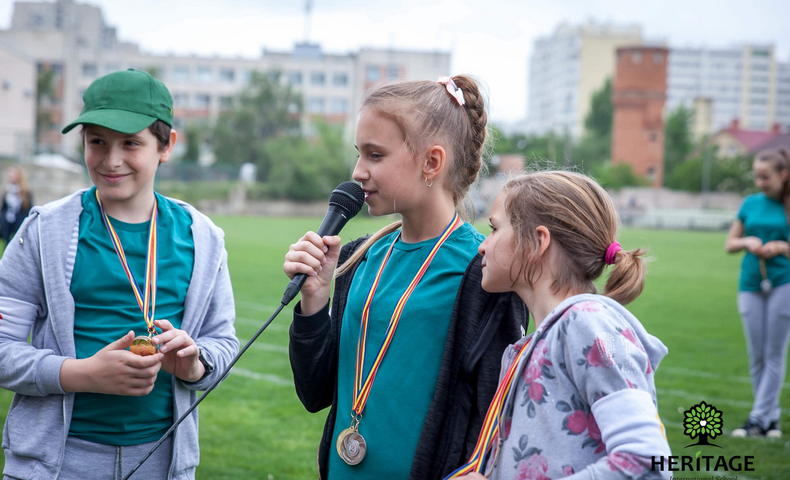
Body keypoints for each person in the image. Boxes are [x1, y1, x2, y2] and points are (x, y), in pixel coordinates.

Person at [283, 76, 528, 480]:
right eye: (358, 154)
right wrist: (314, 300)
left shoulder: (485, 271)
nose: (358, 172)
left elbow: (495, 410)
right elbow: (314, 393)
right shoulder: (357, 258)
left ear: (432, 162)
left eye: (375, 155)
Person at [0, 69, 239, 480]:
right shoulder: (43, 231)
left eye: (131, 143)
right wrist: (82, 374)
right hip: (56, 463)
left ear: (167, 146)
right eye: (97, 142)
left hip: (162, 463)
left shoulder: (202, 237)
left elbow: (223, 342)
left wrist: (195, 364)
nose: (111, 160)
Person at [452, 171, 671, 480]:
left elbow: (646, 460)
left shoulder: (586, 323)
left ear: (538, 242)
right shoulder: (539, 340)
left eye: (494, 229)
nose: (482, 247)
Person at [725, 147, 790, 438]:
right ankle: (771, 419)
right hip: (750, 283)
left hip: (782, 283)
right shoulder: (750, 203)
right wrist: (748, 241)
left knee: (774, 354)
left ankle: (757, 419)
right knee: (757, 355)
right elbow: (730, 244)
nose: (760, 182)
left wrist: (779, 247)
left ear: (783, 175)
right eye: (757, 177)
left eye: (766, 177)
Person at [0, 166, 33, 245]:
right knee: (6, 243)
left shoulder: (25, 192)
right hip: (7, 221)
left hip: (18, 222)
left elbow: (28, 209)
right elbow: (4, 207)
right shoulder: (8, 190)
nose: (11, 176)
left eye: (13, 174)